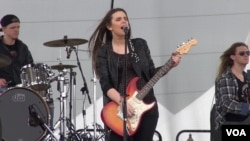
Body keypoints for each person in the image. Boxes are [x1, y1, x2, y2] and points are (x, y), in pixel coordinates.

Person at [88, 8, 181, 141]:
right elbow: (105, 83)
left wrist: (170, 64)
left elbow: (150, 74)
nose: (124, 21)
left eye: (125, 18)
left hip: (146, 107)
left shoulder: (140, 45)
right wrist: (122, 102)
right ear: (109, 26)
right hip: (118, 110)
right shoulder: (104, 52)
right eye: (118, 19)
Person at [0, 14, 54, 138]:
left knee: (43, 102)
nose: (16, 30)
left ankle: (39, 135)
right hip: (3, 89)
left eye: (18, 27)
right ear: (3, 29)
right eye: (13, 27)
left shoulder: (23, 48)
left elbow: (31, 68)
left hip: (21, 88)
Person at [212, 42, 250, 141]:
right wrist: (247, 107)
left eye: (248, 53)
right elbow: (227, 104)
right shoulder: (226, 77)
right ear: (233, 57)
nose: (246, 55)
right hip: (230, 123)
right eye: (242, 53)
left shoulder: (247, 77)